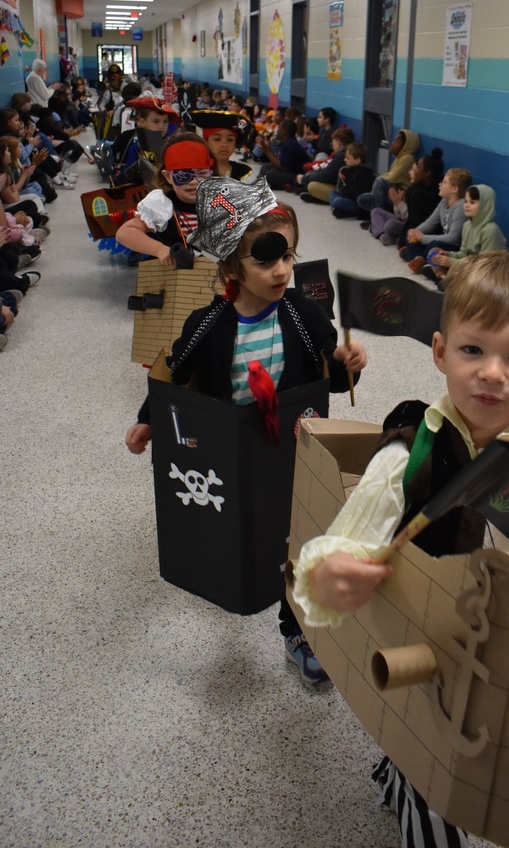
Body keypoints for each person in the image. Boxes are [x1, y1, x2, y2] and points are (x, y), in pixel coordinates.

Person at [292, 250, 509, 848]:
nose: (492, 373)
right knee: (437, 781)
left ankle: (399, 771)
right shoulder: (413, 448)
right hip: (429, 649)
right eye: (473, 350)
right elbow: (342, 540)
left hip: (501, 644)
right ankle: (411, 784)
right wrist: (330, 575)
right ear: (440, 351)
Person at [125, 177, 368, 685]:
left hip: (297, 447)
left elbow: (331, 375)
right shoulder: (208, 323)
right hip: (232, 454)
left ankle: (298, 629)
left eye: (289, 256)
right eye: (266, 260)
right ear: (232, 267)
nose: (282, 270)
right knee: (245, 530)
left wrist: (347, 362)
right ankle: (239, 581)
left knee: (301, 535)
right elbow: (174, 374)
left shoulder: (304, 315)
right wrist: (150, 419)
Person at [115, 132, 215, 265]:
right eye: (183, 176)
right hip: (176, 275)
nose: (193, 182)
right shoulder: (162, 204)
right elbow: (124, 233)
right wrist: (159, 249)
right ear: (168, 176)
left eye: (201, 174)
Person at [428, 183, 506, 289]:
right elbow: (463, 253)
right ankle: (442, 277)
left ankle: (449, 281)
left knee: (472, 278)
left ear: (485, 205)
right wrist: (447, 254)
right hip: (467, 266)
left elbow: (484, 267)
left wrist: (451, 262)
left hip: (485, 274)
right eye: (466, 201)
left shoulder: (490, 230)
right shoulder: (467, 225)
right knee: (435, 251)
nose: (466, 205)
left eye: (472, 202)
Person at [399, 167, 472, 273]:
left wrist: (423, 238)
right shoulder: (444, 201)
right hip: (444, 241)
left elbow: (453, 239)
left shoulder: (461, 206)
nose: (440, 184)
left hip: (454, 248)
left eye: (444, 182)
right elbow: (430, 222)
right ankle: (419, 258)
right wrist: (415, 232)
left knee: (434, 245)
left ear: (454, 189)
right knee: (410, 235)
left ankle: (415, 255)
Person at [356, 128, 420, 215]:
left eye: (396, 142)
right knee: (361, 199)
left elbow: (391, 178)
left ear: (405, 146)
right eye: (393, 141)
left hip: (401, 196)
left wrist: (377, 181)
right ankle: (381, 213)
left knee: (380, 181)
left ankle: (379, 216)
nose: (392, 143)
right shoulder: (398, 158)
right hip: (391, 194)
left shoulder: (408, 158)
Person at [299, 126, 355, 204]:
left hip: (342, 190)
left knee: (312, 186)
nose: (332, 144)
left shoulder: (341, 157)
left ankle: (321, 197)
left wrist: (304, 179)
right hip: (346, 187)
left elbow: (325, 176)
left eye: (333, 142)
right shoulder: (350, 153)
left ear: (338, 143)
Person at [190, 110, 252, 180]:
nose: (224, 145)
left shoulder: (241, 171)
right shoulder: (197, 171)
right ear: (206, 142)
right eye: (217, 139)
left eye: (230, 140)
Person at [329, 142, 375, 218]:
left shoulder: (363, 173)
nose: (345, 160)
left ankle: (339, 209)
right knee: (333, 193)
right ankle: (338, 210)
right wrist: (342, 181)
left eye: (348, 158)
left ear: (357, 160)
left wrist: (345, 182)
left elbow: (355, 195)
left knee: (337, 201)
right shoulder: (349, 169)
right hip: (349, 198)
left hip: (358, 205)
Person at [260, 119, 309, 190]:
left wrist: (267, 151)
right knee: (265, 167)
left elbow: (282, 167)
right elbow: (279, 160)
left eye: (279, 128)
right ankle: (265, 183)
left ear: (284, 131)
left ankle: (283, 185)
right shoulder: (287, 142)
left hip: (298, 175)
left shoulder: (291, 145)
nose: (277, 130)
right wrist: (267, 149)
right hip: (290, 171)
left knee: (271, 174)